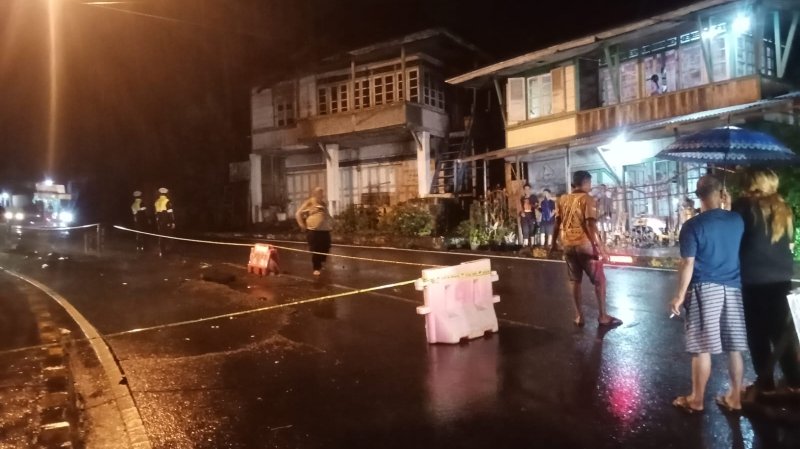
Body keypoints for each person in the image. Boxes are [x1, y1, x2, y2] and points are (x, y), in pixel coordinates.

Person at [670, 175, 747, 413]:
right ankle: (735, 398)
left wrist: (679, 296)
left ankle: (697, 400)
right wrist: (727, 204)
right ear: (721, 192)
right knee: (734, 348)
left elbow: (688, 263)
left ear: (698, 195)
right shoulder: (737, 220)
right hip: (733, 288)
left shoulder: (692, 226)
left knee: (702, 347)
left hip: (705, 288)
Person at [732, 169, 800, 398]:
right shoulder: (783, 207)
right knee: (780, 333)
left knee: (757, 334)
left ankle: (766, 384)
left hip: (753, 279)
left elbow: (734, 240)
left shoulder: (743, 207)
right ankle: (795, 381)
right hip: (781, 279)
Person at [550, 171, 622, 328]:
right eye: (590, 183)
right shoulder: (588, 199)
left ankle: (579, 316)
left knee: (575, 281)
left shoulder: (562, 199)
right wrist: (601, 248)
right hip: (585, 246)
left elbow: (557, 224)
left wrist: (553, 243)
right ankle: (602, 316)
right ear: (586, 182)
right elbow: (590, 225)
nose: (590, 186)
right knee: (599, 280)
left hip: (568, 245)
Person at [295, 187, 333, 276]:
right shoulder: (310, 202)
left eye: (322, 192)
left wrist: (332, 222)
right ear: (315, 193)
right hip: (313, 230)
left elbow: (327, 215)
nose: (321, 194)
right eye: (319, 192)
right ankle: (316, 268)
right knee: (316, 249)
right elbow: (298, 213)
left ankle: (322, 262)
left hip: (325, 230)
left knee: (326, 247)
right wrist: (301, 224)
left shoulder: (323, 204)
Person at [154, 187, 175, 257]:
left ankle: (162, 251)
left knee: (161, 236)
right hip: (166, 221)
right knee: (170, 235)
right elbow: (170, 213)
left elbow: (156, 213)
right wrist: (172, 222)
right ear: (166, 193)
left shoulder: (156, 202)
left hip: (159, 222)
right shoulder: (167, 201)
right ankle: (171, 250)